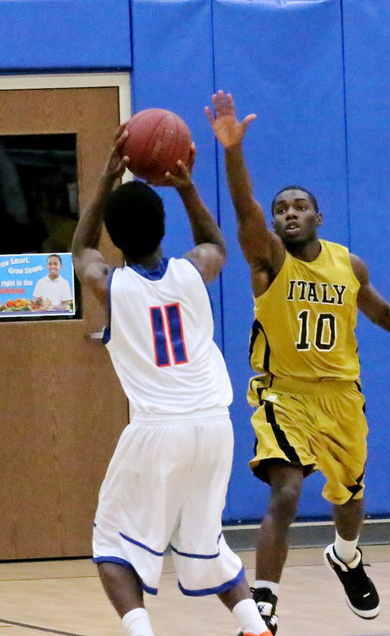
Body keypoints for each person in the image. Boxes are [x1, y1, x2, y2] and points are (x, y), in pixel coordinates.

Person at [205, 89, 390, 634]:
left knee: (349, 498)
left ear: (318, 216)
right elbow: (243, 209)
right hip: (282, 394)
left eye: (298, 206)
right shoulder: (268, 261)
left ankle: (346, 555)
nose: (288, 213)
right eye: (280, 208)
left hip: (341, 399)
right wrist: (233, 152)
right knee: (287, 488)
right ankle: (263, 600)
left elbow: (382, 312)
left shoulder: (347, 264)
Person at [71, 123, 273, 636]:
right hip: (214, 428)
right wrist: (185, 185)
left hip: (158, 430)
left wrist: (104, 179)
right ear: (163, 230)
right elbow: (213, 241)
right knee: (204, 539)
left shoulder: (112, 287)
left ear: (115, 238)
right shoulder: (194, 271)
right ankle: (255, 628)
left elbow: (81, 253)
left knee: (111, 544)